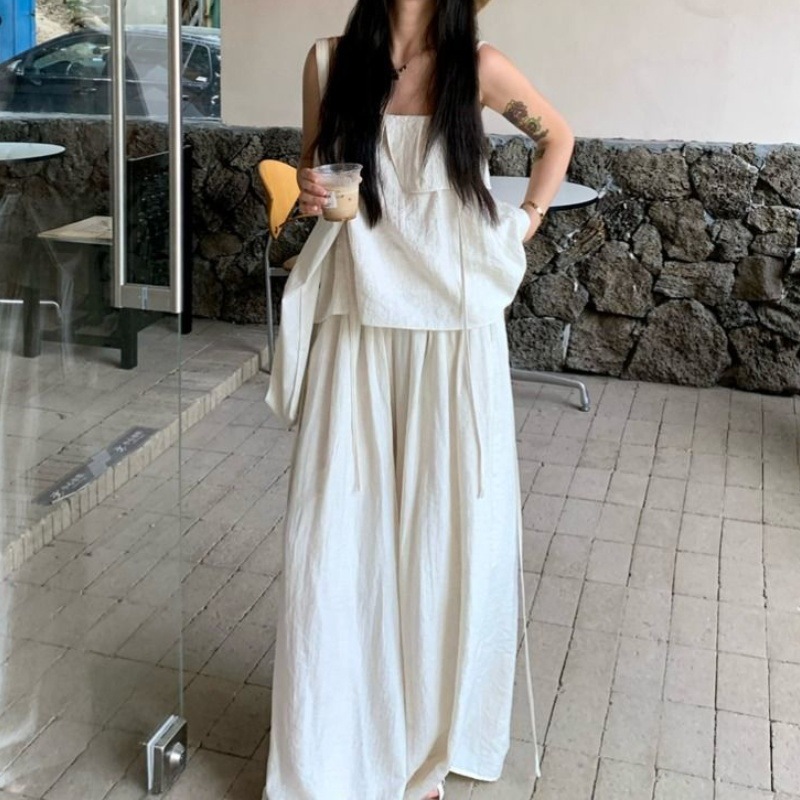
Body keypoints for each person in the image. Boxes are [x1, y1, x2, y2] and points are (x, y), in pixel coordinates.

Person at [263, 0, 574, 797]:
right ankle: (335, 740)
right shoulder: (329, 63)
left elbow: (556, 137)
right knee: (335, 536)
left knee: (443, 538)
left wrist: (524, 221)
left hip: (453, 334)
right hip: (358, 324)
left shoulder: (480, 66)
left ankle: (424, 754)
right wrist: (311, 192)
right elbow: (312, 173)